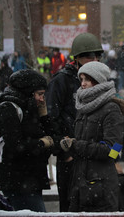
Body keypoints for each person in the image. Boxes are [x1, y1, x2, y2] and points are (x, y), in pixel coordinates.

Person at [46, 32, 103, 212]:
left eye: (96, 56)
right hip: (70, 156)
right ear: (77, 58)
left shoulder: (101, 80)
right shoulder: (62, 80)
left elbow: (112, 127)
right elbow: (50, 118)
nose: (93, 59)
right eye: (87, 56)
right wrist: (64, 152)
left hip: (94, 156)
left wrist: (113, 157)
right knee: (71, 206)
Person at [59, 61, 124, 212]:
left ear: (98, 80)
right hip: (80, 183)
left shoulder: (111, 109)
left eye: (87, 79)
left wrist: (76, 145)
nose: (83, 84)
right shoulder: (83, 108)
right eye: (81, 79)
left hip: (102, 187)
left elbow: (113, 150)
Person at [0, 69, 55, 212]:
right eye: (39, 94)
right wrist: (40, 143)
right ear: (29, 92)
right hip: (18, 182)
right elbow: (13, 147)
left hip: (31, 180)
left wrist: (44, 115)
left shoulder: (31, 109)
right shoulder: (8, 109)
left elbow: (51, 135)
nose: (42, 99)